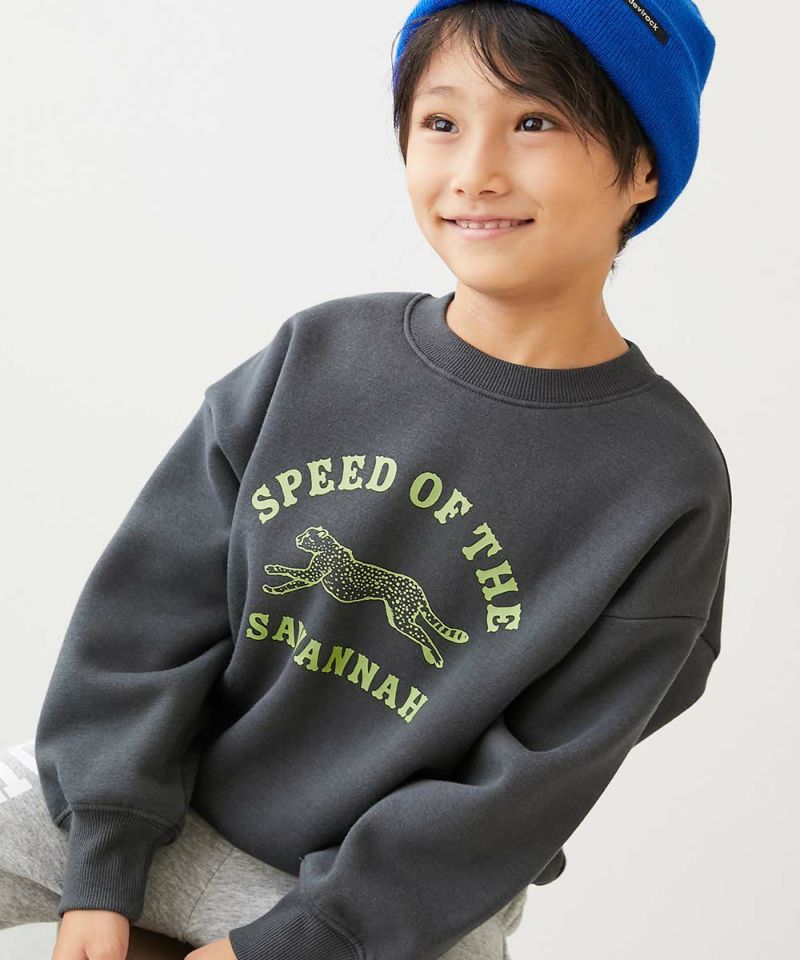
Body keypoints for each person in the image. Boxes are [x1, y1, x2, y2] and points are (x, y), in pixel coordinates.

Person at [0, 2, 731, 959]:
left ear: (643, 166)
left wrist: (292, 943)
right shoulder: (318, 355)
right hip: (147, 802)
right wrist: (104, 863)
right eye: (442, 121)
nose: (476, 171)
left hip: (374, 904)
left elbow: (528, 789)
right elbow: (149, 612)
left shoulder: (665, 486)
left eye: (535, 120)